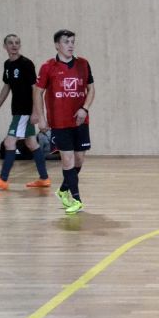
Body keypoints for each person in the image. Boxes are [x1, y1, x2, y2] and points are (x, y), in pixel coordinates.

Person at [32, 30, 95, 215]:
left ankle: (62, 190)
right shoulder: (48, 67)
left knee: (79, 159)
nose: (70, 45)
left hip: (80, 121)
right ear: (57, 45)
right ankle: (76, 200)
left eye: (72, 41)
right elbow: (38, 92)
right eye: (66, 42)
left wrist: (85, 108)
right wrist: (41, 117)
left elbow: (91, 89)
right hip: (60, 122)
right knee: (67, 159)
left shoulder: (83, 64)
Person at [0, 34, 51, 190]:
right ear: (5, 46)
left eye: (17, 43)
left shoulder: (26, 64)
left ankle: (3, 179)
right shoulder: (7, 64)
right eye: (10, 43)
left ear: (19, 45)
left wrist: (36, 112)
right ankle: (44, 178)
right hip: (17, 111)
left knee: (9, 142)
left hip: (25, 111)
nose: (14, 45)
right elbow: (7, 86)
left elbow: (35, 89)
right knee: (31, 142)